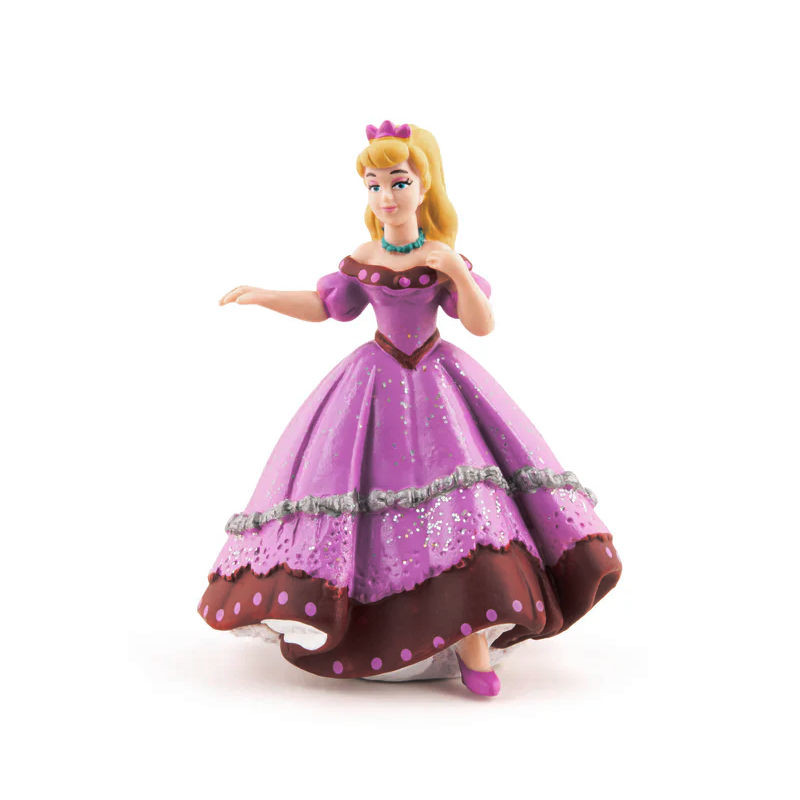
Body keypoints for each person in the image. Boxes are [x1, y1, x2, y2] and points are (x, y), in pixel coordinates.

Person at [198, 120, 621, 697]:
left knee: (465, 505)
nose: (386, 197)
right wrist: (266, 295)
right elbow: (328, 307)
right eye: (374, 186)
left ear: (424, 187)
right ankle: (368, 618)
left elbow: (481, 324)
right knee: (360, 498)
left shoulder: (440, 256)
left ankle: (473, 643)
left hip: (438, 386)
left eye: (398, 182)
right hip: (372, 385)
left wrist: (456, 272)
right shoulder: (365, 255)